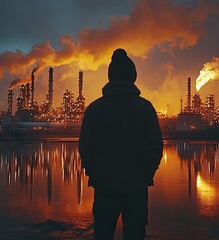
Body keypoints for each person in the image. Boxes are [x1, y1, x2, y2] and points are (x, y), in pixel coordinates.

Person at [79, 48, 163, 240]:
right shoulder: (145, 108)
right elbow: (155, 147)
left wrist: (94, 172)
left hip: (104, 185)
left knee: (102, 233)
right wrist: (146, 174)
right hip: (136, 185)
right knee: (134, 234)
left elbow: (85, 146)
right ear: (132, 76)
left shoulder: (94, 109)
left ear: (110, 76)